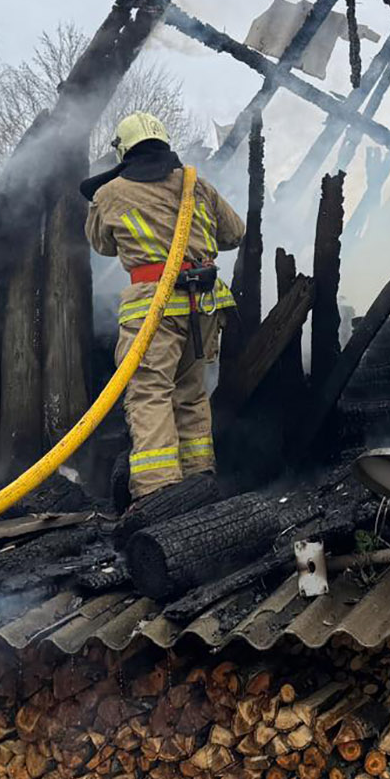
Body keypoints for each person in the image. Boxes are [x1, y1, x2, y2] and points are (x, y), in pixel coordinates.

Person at [82, 112, 245, 502]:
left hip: (153, 309)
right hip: (204, 305)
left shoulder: (110, 193)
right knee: (191, 392)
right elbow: (234, 233)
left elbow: (101, 245)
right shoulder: (195, 184)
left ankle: (158, 490)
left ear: (123, 150)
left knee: (149, 392)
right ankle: (199, 478)